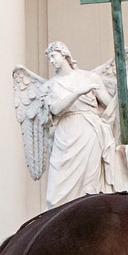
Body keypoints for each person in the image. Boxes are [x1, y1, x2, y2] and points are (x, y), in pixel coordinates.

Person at [41, 41, 115, 207]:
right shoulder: (51, 85)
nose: (51, 61)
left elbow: (109, 104)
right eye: (49, 58)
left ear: (64, 54)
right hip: (65, 133)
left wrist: (123, 95)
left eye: (53, 56)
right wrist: (79, 92)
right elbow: (55, 109)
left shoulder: (89, 78)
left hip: (88, 130)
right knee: (55, 194)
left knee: (90, 187)